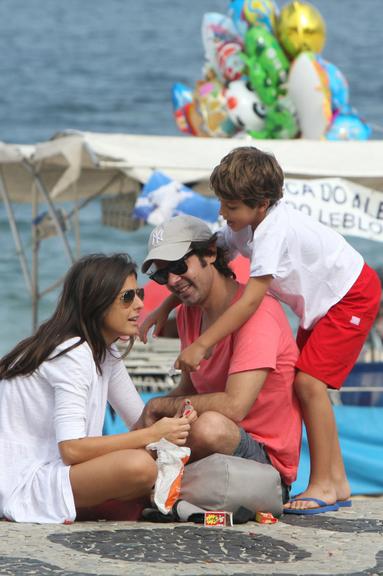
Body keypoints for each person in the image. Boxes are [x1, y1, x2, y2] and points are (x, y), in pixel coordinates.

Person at [140, 147, 382, 514]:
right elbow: (202, 260)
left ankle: (324, 484)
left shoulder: (271, 232)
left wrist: (203, 344)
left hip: (350, 295)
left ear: (262, 204)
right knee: (307, 384)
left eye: (231, 207)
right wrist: (164, 307)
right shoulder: (242, 227)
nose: (223, 213)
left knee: (308, 385)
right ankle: (340, 481)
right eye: (221, 203)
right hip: (320, 306)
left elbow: (250, 301)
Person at [0, 253, 193, 524]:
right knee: (139, 468)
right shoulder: (72, 353)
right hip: (24, 481)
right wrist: (152, 433)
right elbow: (72, 450)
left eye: (138, 293)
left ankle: (106, 505)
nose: (139, 305)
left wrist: (173, 425)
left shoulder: (104, 350)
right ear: (97, 303)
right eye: (127, 297)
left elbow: (138, 419)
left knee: (151, 458)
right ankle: (99, 506)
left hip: (56, 470)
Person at [140, 215, 302, 505]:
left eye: (179, 266)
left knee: (208, 426)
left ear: (211, 253)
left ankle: (150, 484)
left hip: (265, 465)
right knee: (144, 431)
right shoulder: (190, 312)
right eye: (163, 276)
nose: (173, 281)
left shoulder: (258, 314)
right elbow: (188, 392)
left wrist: (158, 406)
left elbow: (234, 407)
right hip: (215, 449)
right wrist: (145, 426)